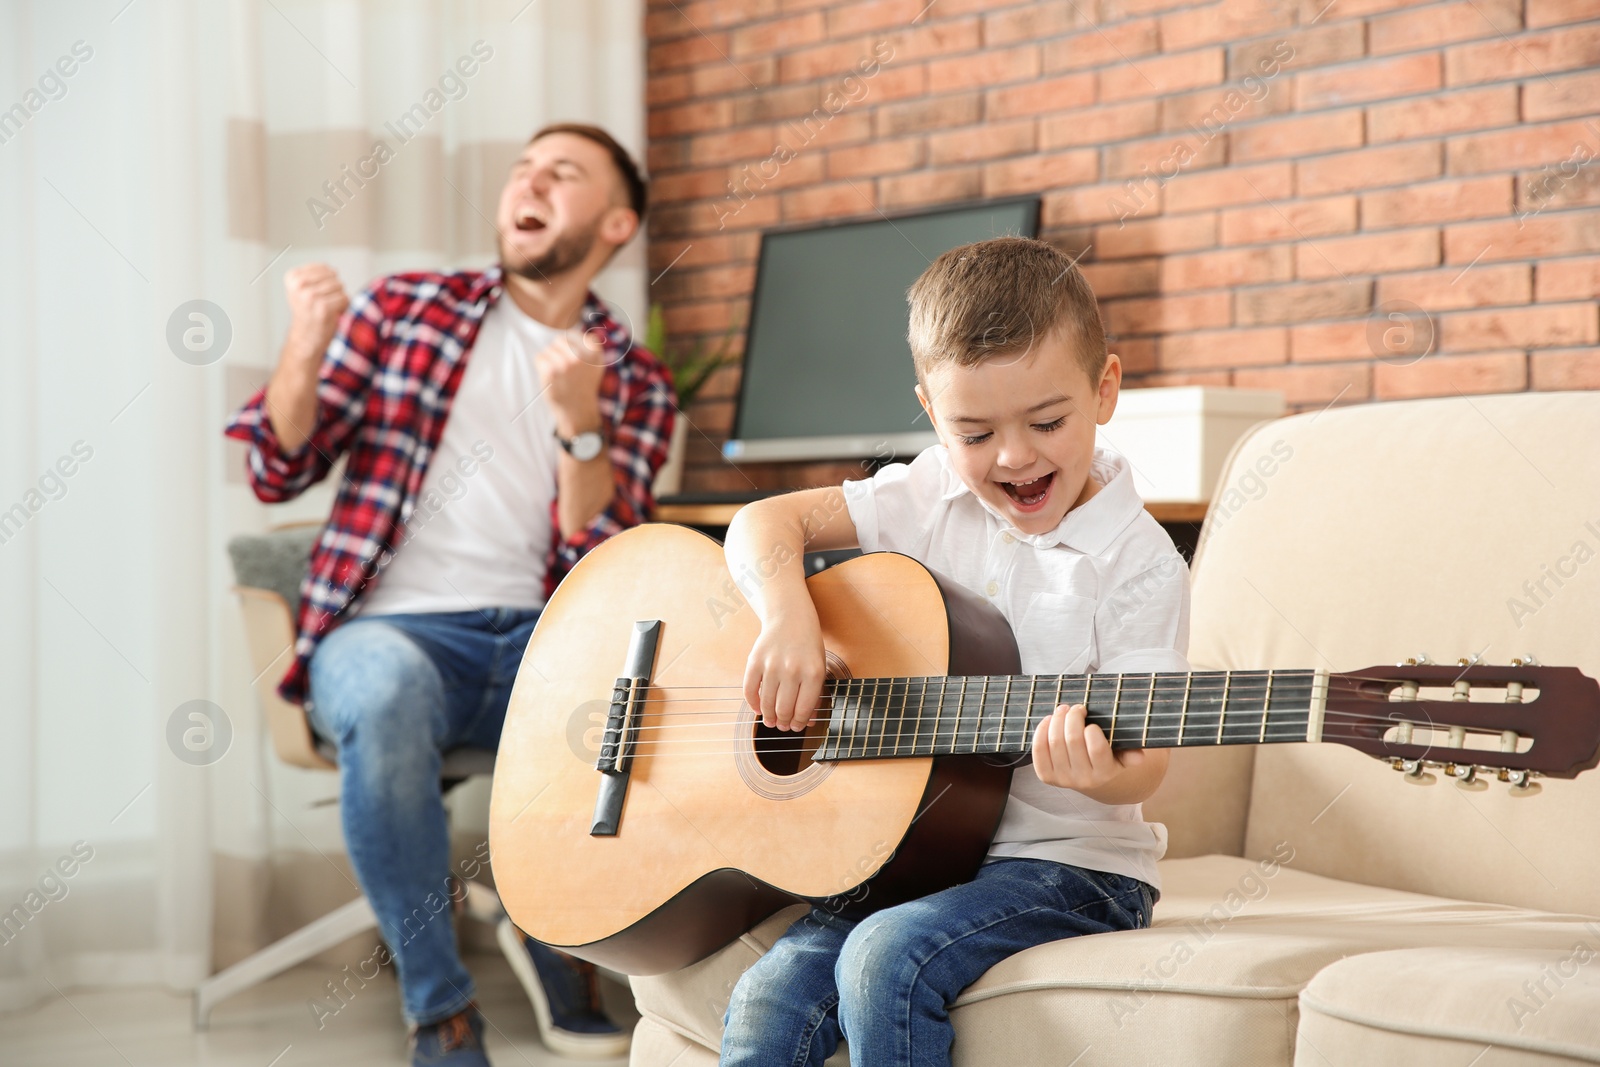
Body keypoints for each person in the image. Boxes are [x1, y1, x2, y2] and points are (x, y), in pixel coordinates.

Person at [224, 123, 674, 1066]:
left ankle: (563, 937)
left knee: (647, 715)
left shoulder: (632, 378)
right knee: (384, 691)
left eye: (563, 172)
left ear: (616, 222)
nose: (531, 180)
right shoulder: (406, 309)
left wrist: (580, 426)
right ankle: (443, 1011)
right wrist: (305, 347)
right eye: (523, 167)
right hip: (392, 636)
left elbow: (604, 554)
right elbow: (277, 464)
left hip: (543, 644)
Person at [717, 236, 1190, 1067]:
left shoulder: (1142, 561)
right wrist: (787, 613)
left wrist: (1102, 770)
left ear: (1105, 389)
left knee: (883, 957)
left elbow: (1147, 760)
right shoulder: (929, 490)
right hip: (914, 853)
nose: (1014, 455)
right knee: (767, 995)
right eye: (974, 431)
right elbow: (762, 523)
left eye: (1047, 421)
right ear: (932, 416)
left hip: (1069, 868)